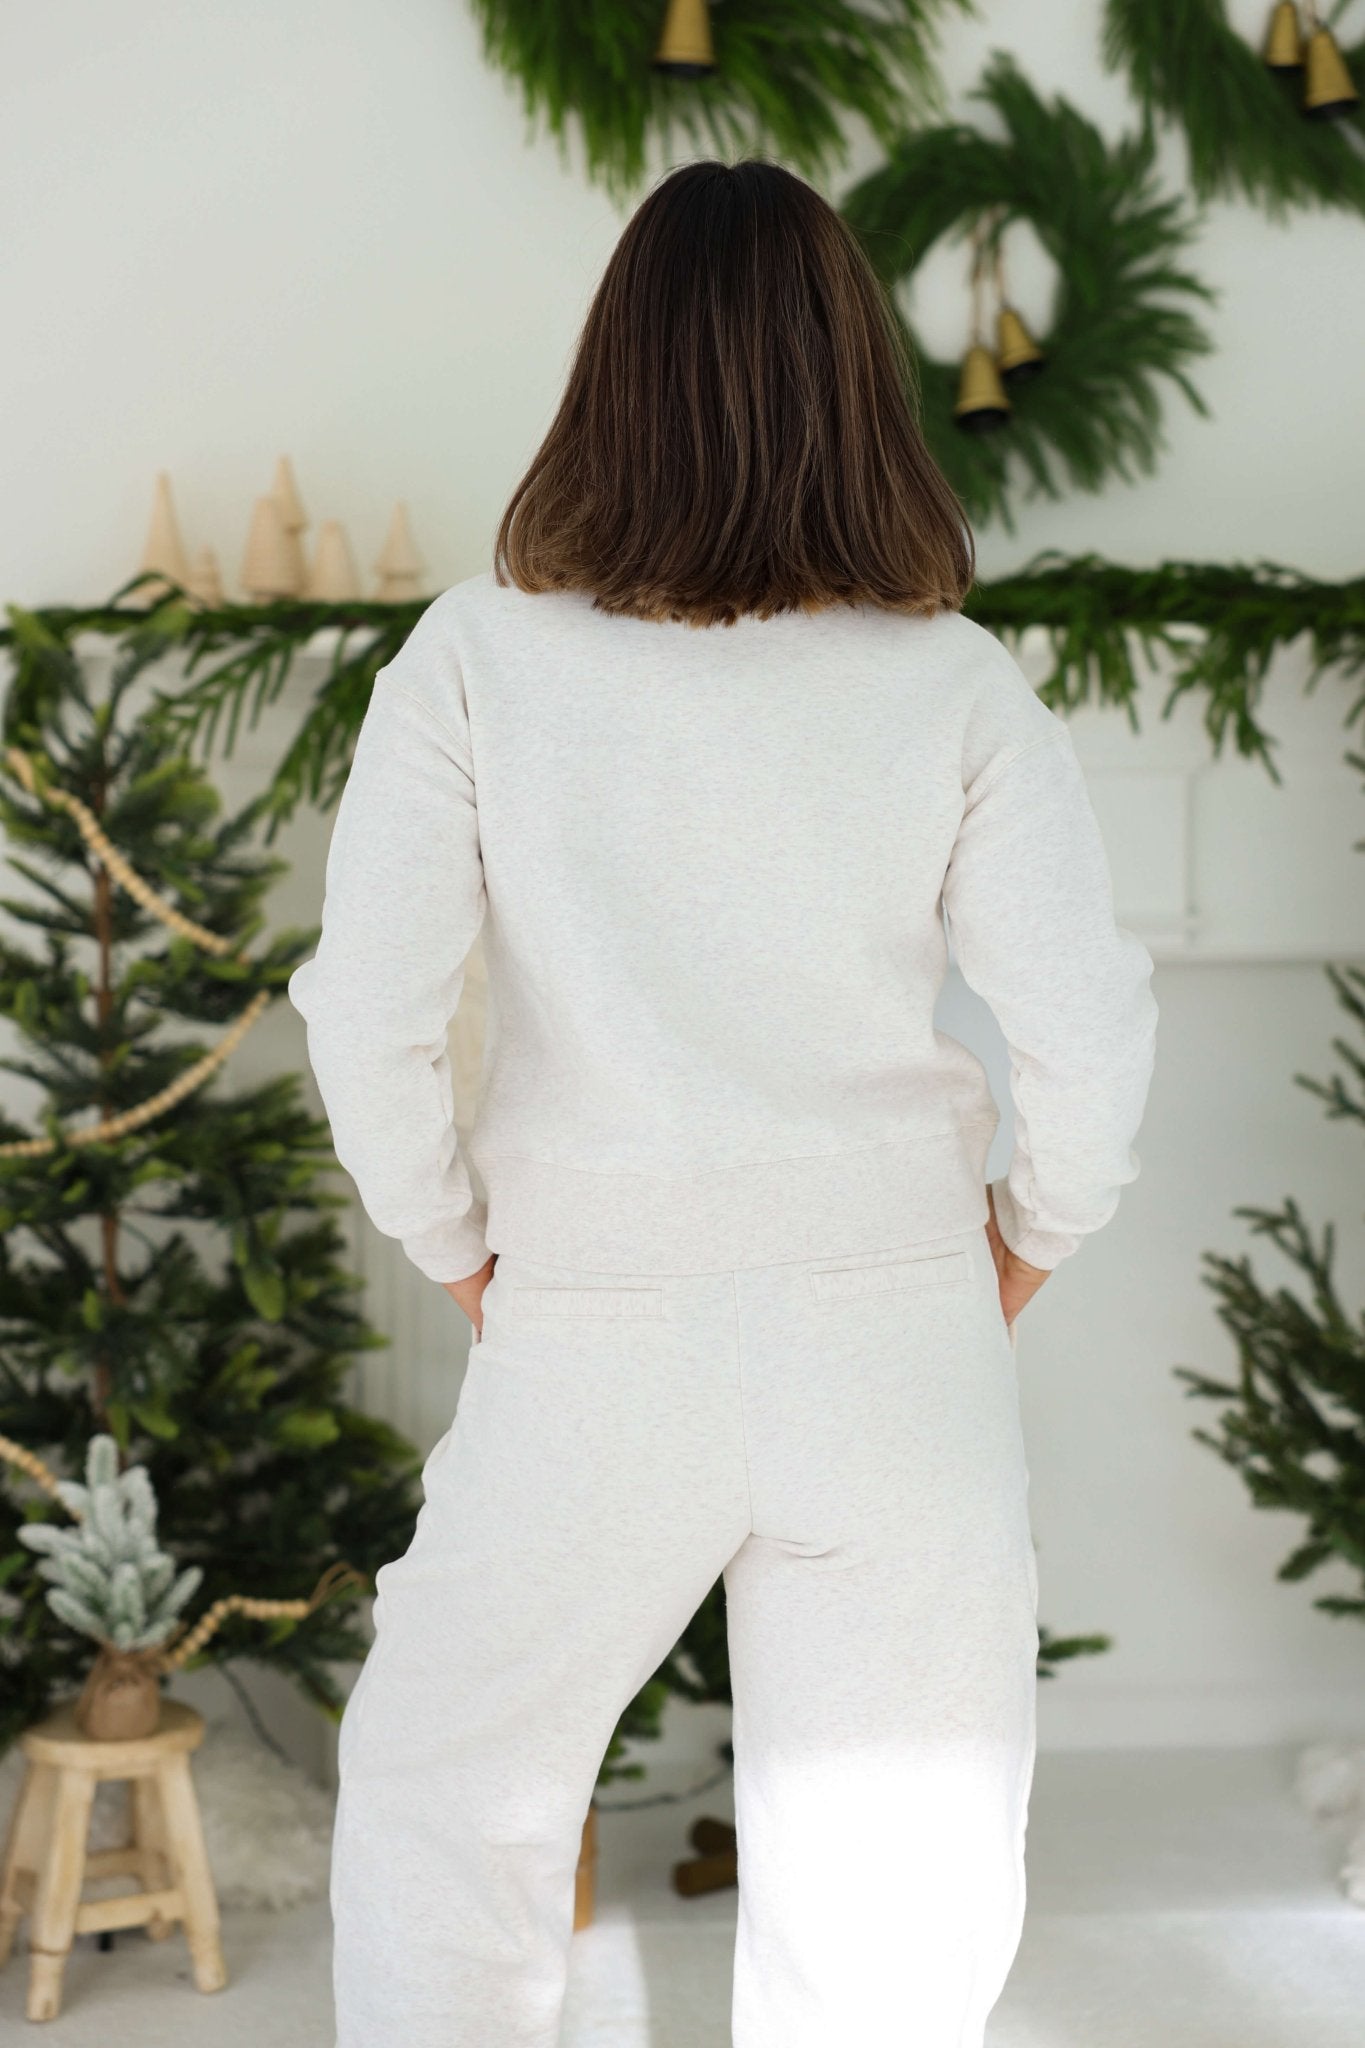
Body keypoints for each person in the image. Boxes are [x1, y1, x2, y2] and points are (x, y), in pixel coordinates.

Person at [288, 157, 1157, 2048]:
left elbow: (367, 1016)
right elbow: (1087, 1030)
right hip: (895, 1332)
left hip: (591, 1321)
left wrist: (455, 1247)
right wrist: (1025, 1239)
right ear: (857, 382)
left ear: (610, 376)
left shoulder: (475, 661)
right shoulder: (952, 685)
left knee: (451, 1796)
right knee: (895, 1875)